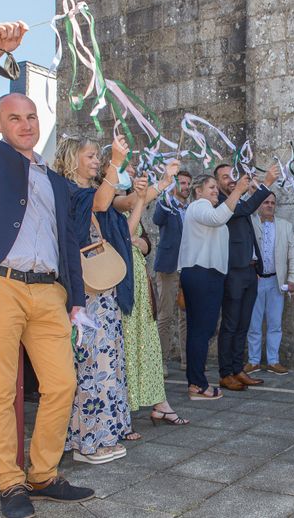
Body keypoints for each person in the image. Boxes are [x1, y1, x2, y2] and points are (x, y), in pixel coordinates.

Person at [0, 22, 92, 517]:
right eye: (15, 117)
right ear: (0, 125)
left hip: (49, 293)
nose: (26, 124)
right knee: (1, 389)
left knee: (63, 385)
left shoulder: (55, 181)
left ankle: (44, 473)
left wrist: (75, 299)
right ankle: (10, 483)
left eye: (31, 116)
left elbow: (67, 240)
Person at [53, 135, 141, 464]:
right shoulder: (71, 192)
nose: (94, 161)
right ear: (70, 159)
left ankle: (81, 435)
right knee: (94, 365)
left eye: (96, 156)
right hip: (87, 292)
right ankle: (92, 441)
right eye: (89, 156)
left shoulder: (76, 192)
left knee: (102, 363)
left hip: (97, 290)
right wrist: (116, 160)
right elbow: (103, 203)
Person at [116, 160, 189, 426]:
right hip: (120, 282)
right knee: (127, 346)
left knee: (146, 344)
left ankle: (159, 402)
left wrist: (142, 244)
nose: (133, 176)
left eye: (133, 172)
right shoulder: (113, 202)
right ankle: (125, 408)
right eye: (128, 172)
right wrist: (164, 182)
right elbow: (127, 221)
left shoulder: (132, 203)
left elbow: (145, 241)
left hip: (139, 280)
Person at [179, 174, 250, 399]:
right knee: (202, 331)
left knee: (201, 331)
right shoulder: (199, 206)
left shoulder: (208, 208)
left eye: (215, 188)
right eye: (210, 187)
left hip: (207, 275)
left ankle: (195, 381)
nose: (215, 191)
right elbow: (218, 218)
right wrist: (237, 191)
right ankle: (198, 384)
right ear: (197, 191)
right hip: (202, 274)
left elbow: (222, 215)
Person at [214, 164, 279, 391]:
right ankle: (225, 373)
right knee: (230, 324)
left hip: (251, 270)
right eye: (225, 177)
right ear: (217, 182)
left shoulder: (239, 200)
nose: (231, 179)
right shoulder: (221, 202)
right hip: (233, 271)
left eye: (233, 175)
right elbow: (246, 209)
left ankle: (237, 369)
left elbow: (248, 207)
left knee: (243, 324)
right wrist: (266, 183)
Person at [245, 193, 294, 375]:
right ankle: (253, 361)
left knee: (275, 323)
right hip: (255, 281)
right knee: (254, 323)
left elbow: (293, 254)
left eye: (272, 203)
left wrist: (293, 278)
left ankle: (273, 361)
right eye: (266, 202)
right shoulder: (250, 223)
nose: (269, 205)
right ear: (259, 204)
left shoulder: (285, 226)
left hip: (276, 282)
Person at [152, 169, 192, 373]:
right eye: (182, 183)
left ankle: (188, 361)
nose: (185, 187)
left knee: (186, 316)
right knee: (166, 315)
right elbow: (157, 220)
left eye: (188, 183)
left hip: (188, 268)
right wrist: (165, 194)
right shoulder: (165, 203)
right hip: (168, 267)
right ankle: (160, 362)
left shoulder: (192, 208)